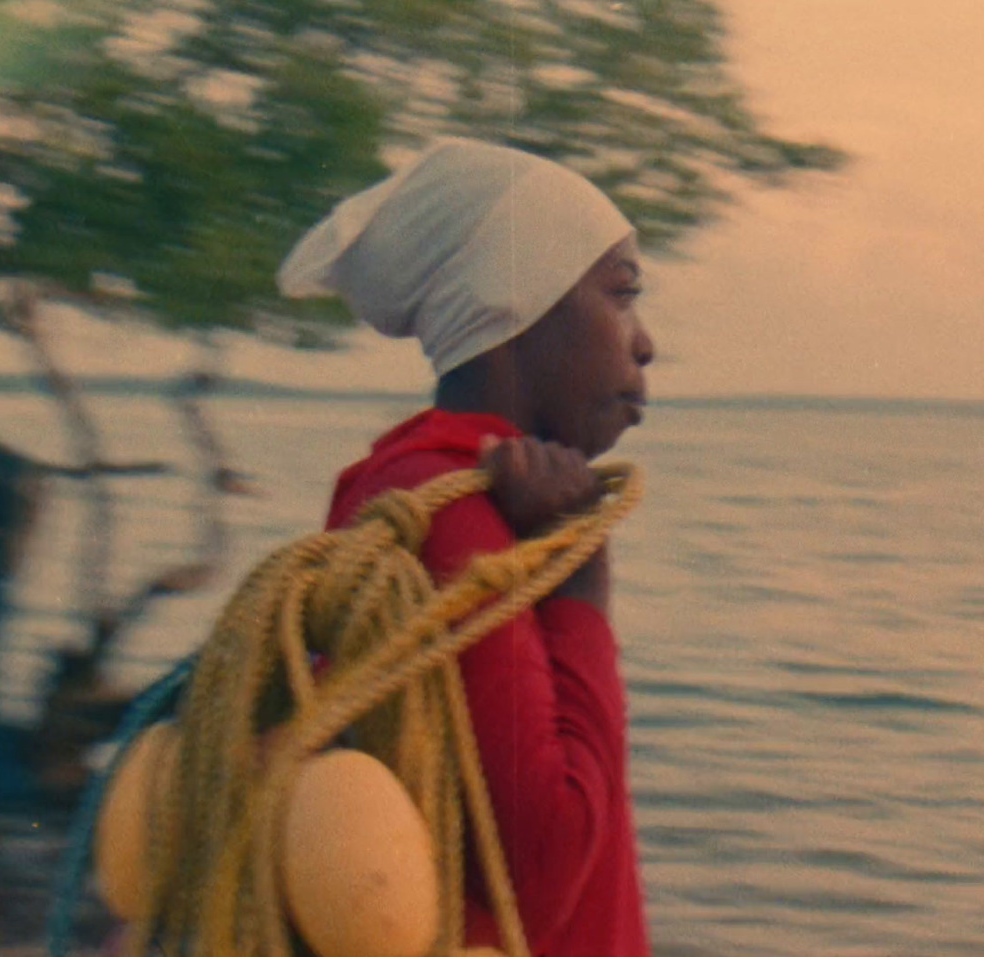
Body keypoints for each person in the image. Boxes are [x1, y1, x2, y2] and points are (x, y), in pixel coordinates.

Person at [278, 137, 656, 957]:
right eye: (621, 295)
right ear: (518, 307)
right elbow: (543, 870)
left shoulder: (403, 483)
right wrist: (581, 587)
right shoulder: (455, 509)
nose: (644, 343)